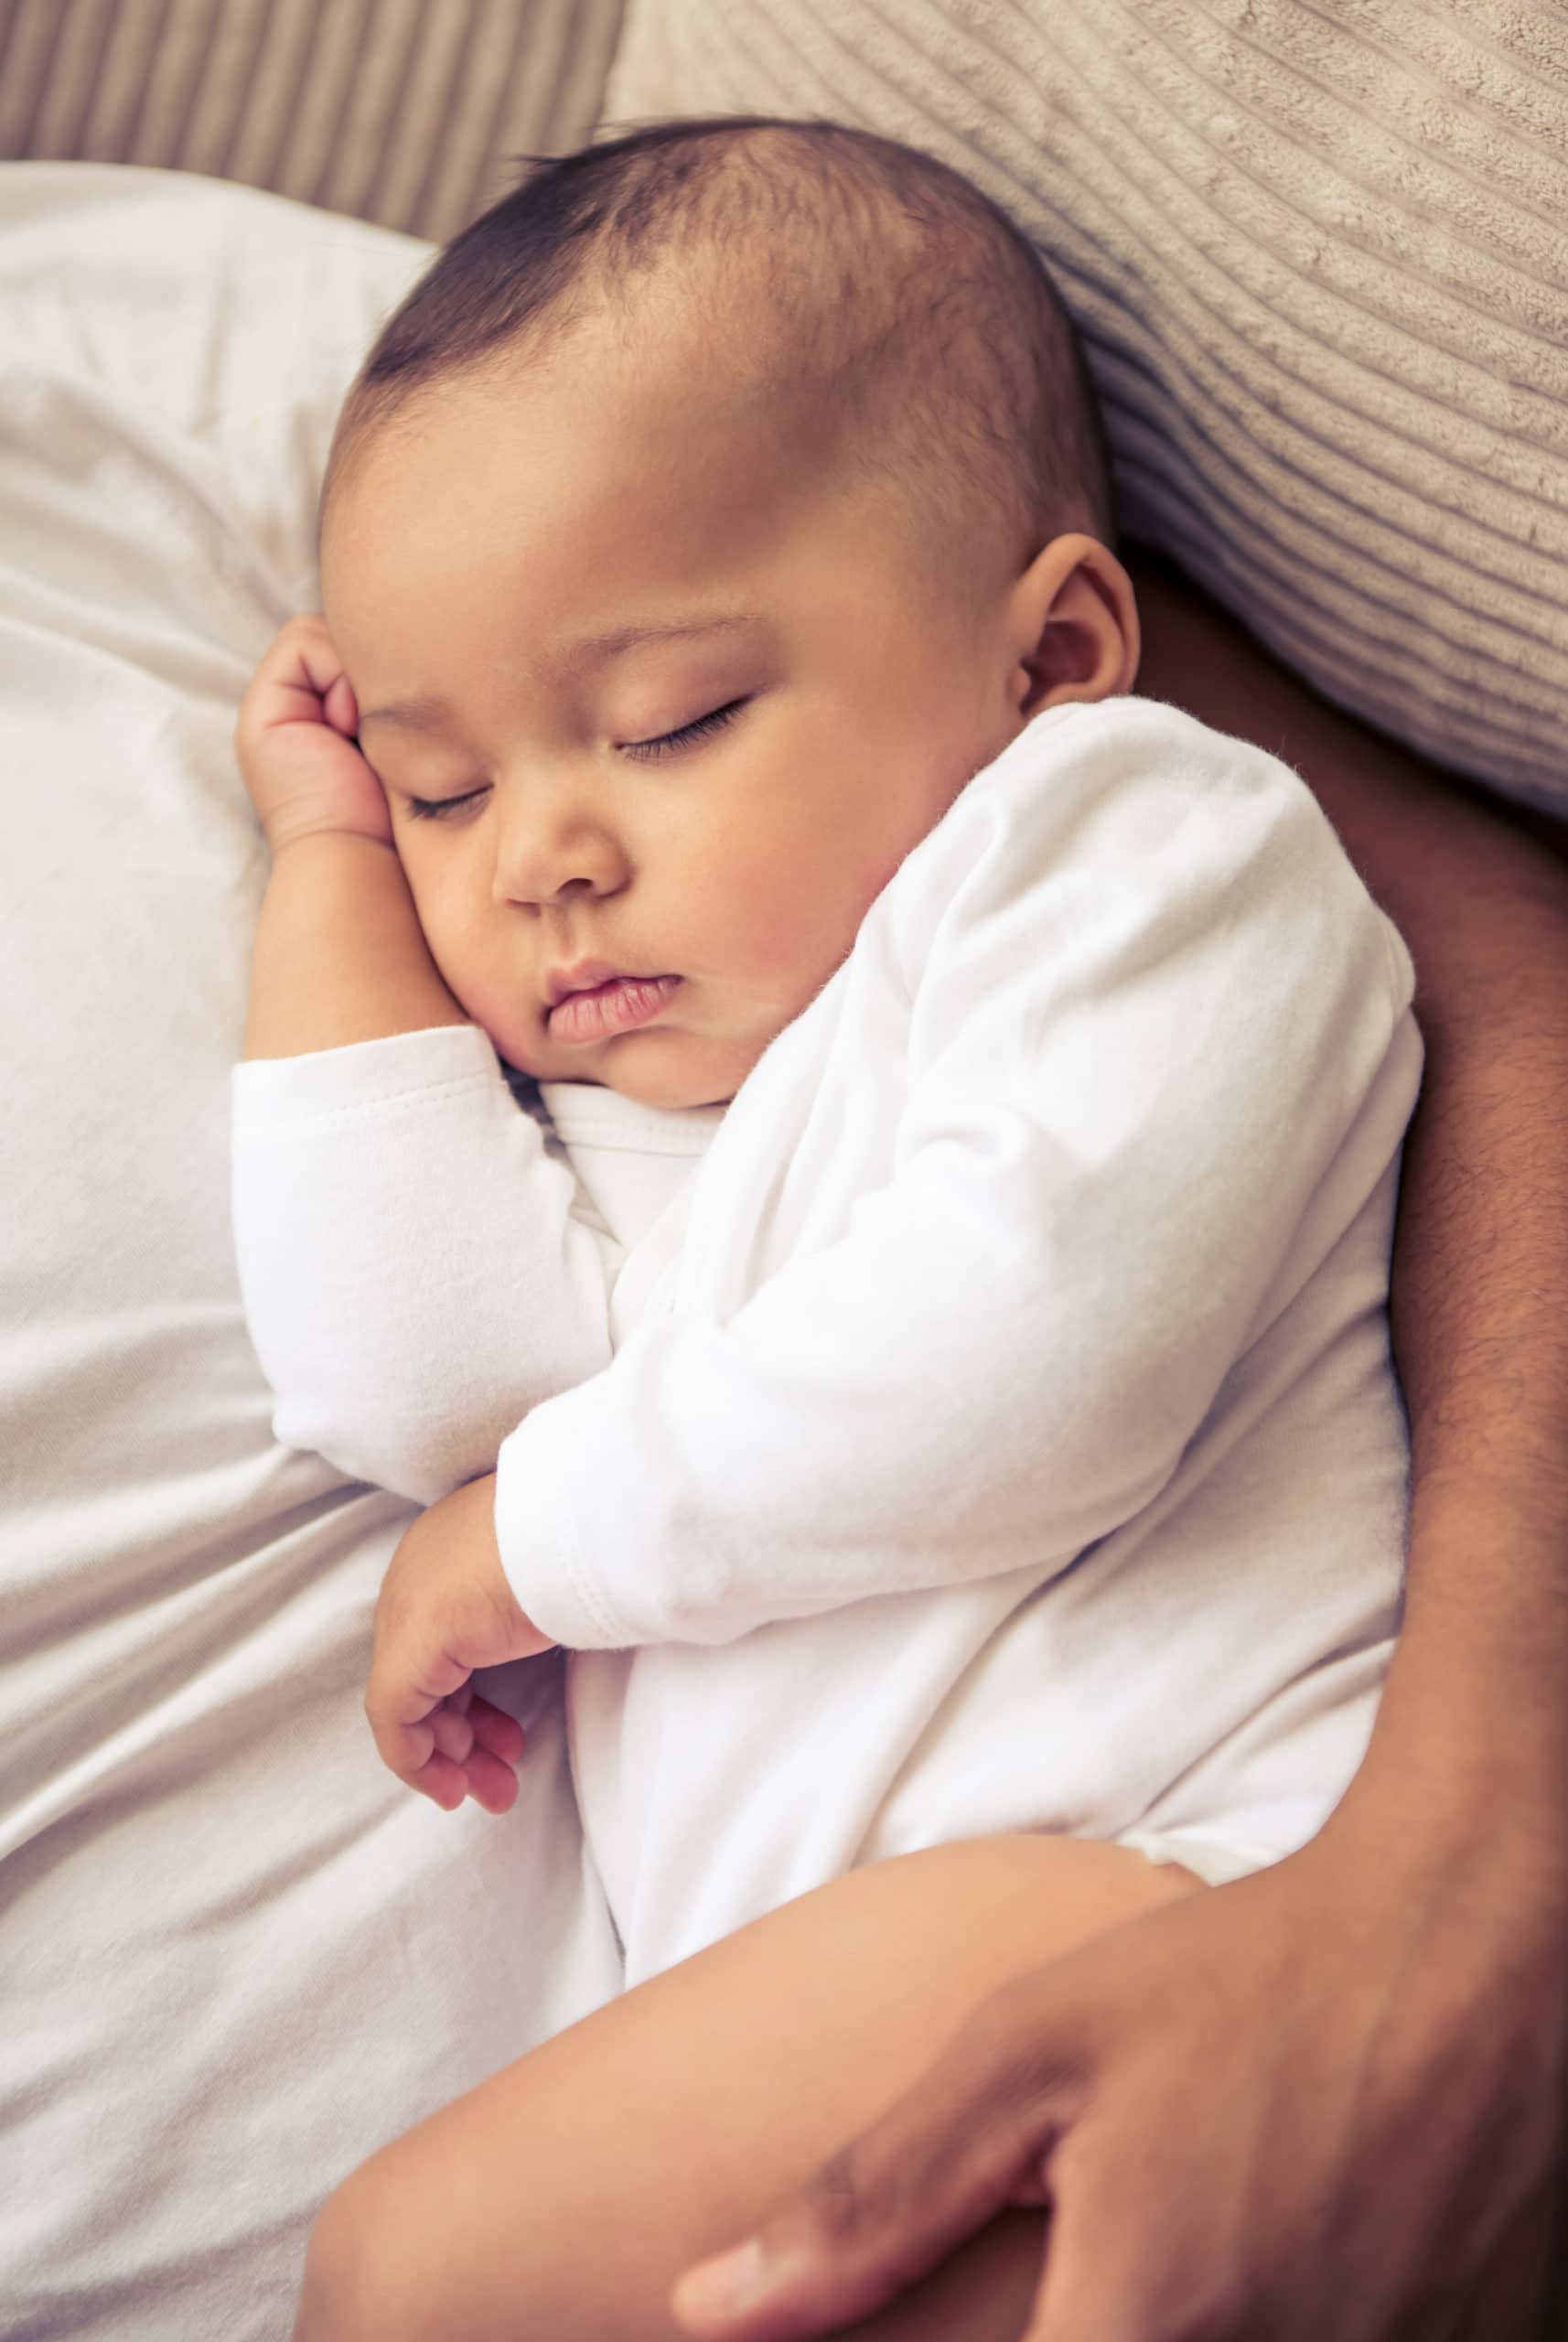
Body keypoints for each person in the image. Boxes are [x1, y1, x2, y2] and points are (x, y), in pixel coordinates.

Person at [229, 118, 1425, 2337]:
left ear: (1048, 651)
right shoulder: (644, 1125)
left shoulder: (1122, 849)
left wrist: (521, 1548)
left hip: (1168, 1884)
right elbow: (411, 1389)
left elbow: (1033, 1352)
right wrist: (328, 871)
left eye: (669, 719)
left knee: (414, 2276)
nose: (538, 860)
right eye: (450, 787)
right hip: (861, 1971)